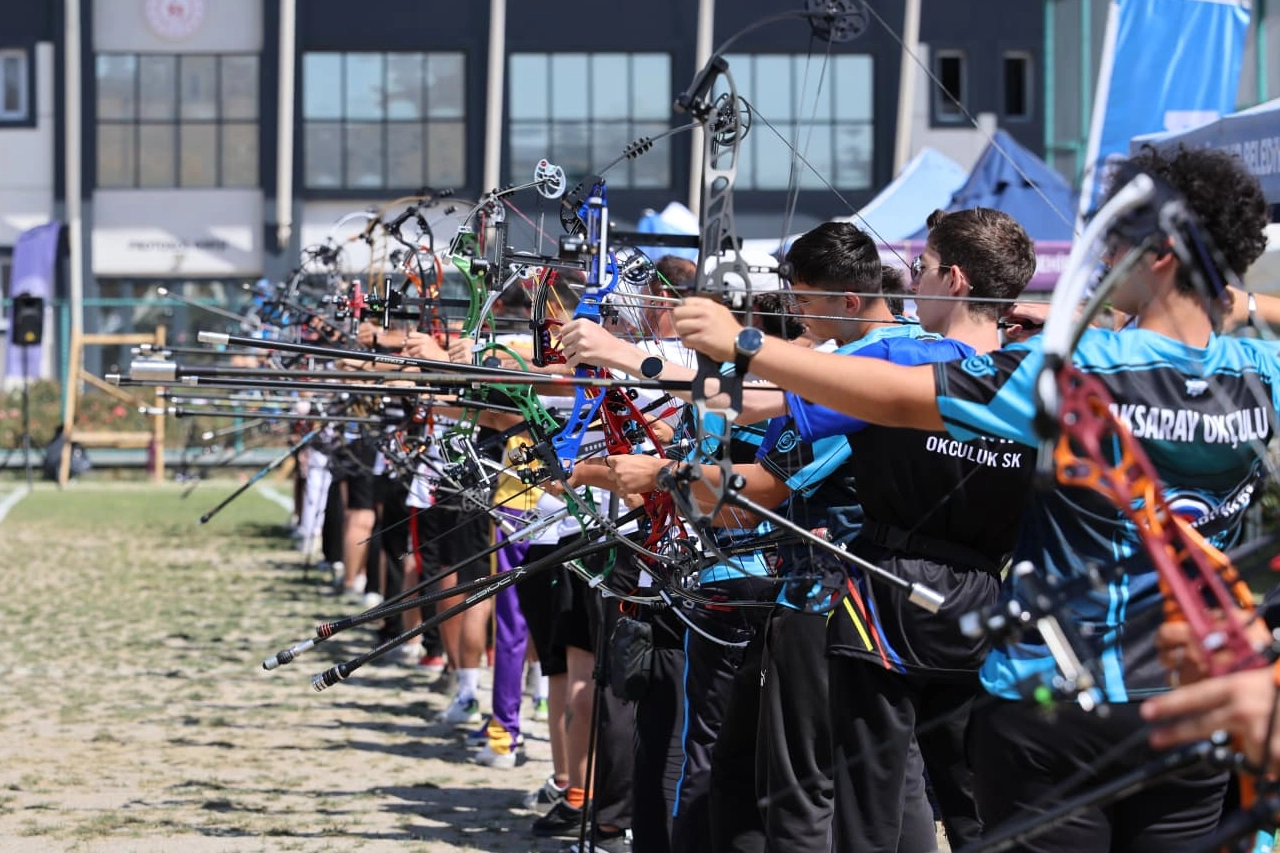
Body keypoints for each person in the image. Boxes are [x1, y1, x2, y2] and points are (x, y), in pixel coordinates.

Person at [673, 144, 1276, 853]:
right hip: (1191, 710)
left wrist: (748, 344)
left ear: (1161, 256)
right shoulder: (1256, 372)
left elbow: (896, 396)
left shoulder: (1071, 369)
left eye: (1118, 239)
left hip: (1057, 710)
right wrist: (1226, 299)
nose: (1101, 254)